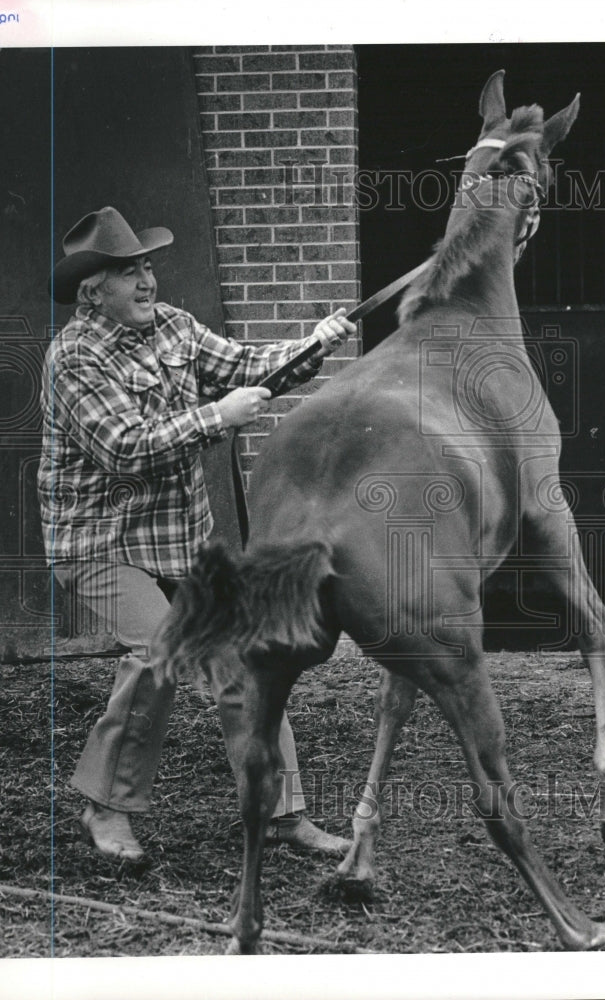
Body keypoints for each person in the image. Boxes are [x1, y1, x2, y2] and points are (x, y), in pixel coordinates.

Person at [39, 206, 357, 863]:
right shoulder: (72, 359)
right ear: (94, 290)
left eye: (148, 265)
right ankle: (107, 808)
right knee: (158, 652)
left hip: (180, 540)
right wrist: (216, 415)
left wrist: (314, 343)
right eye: (129, 272)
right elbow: (125, 448)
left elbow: (247, 364)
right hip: (100, 539)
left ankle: (280, 813)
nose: (148, 280)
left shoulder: (176, 328)